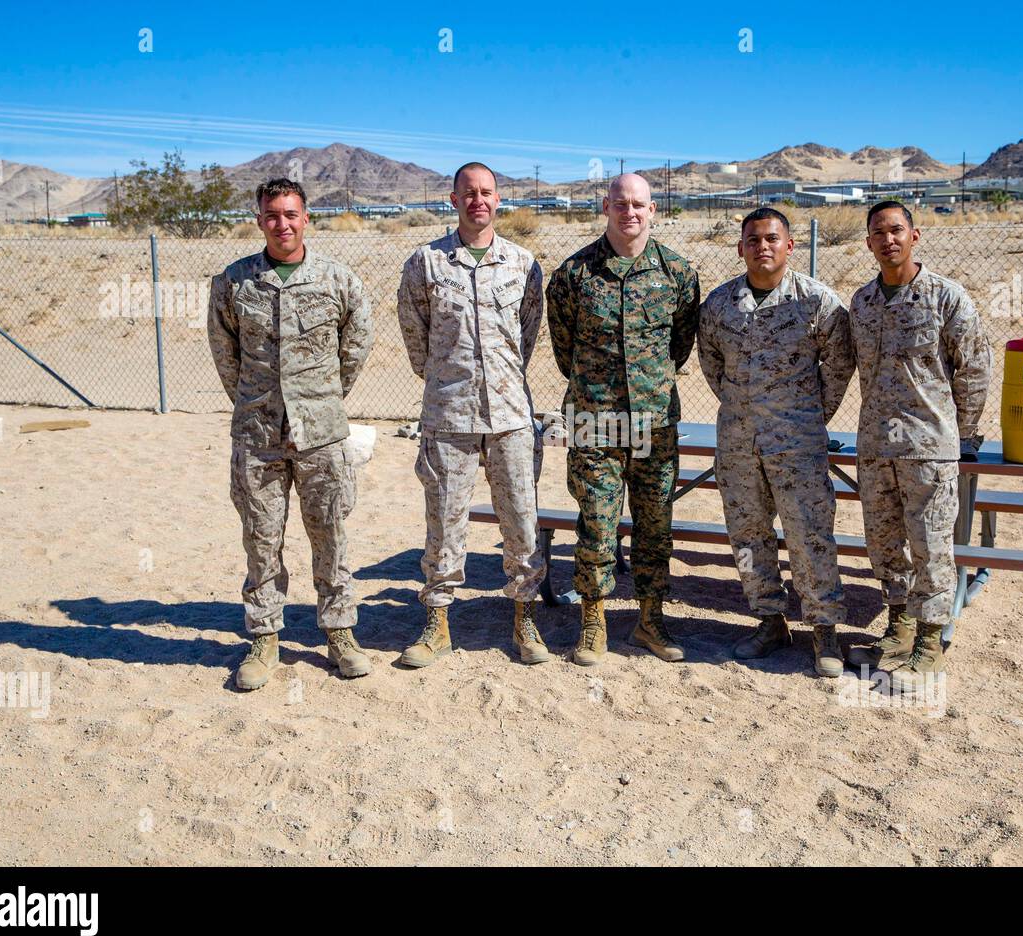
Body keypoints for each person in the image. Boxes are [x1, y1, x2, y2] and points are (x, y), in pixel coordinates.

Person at [208, 178, 375, 690]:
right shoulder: (234, 283)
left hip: (322, 433)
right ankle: (264, 638)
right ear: (260, 220)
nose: (282, 223)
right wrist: (256, 401)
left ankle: (340, 632)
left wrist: (322, 396)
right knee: (261, 539)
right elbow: (224, 354)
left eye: (291, 214)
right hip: (258, 433)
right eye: (272, 214)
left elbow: (357, 343)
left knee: (330, 534)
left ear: (307, 218)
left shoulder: (338, 280)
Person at [396, 162, 549, 666]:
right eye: (468, 193)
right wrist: (448, 379)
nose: (477, 200)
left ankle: (525, 620)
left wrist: (500, 380)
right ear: (453, 198)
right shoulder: (426, 263)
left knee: (521, 524)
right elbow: (416, 339)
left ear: (498, 199)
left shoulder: (523, 264)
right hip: (449, 416)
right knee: (443, 521)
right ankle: (437, 623)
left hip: (509, 416)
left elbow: (525, 336)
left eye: (486, 192)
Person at [545, 173, 700, 665]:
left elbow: (680, 347)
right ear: (605, 207)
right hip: (595, 421)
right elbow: (563, 349)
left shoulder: (677, 273)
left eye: (639, 204)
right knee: (597, 523)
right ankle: (593, 622)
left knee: (656, 525)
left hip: (654, 423)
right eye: (620, 203)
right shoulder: (574, 274)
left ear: (653, 210)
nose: (629, 212)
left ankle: (650, 622)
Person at [697, 207, 855, 676]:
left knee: (809, 535)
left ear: (789, 246)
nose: (762, 247)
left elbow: (840, 362)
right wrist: (743, 407)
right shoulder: (720, 305)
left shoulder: (817, 302)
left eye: (771, 238)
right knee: (748, 535)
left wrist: (808, 412)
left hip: (799, 443)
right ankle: (769, 619)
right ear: (741, 247)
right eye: (753, 239)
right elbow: (711, 363)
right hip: (739, 444)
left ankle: (824, 629)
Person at [845, 200, 992, 693]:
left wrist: (964, 434)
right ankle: (898, 628)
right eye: (878, 233)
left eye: (896, 230)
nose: (888, 240)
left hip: (929, 446)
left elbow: (973, 367)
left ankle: (930, 642)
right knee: (885, 544)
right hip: (875, 445)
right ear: (868, 243)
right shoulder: (862, 303)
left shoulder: (946, 297)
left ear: (915, 236)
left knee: (931, 545)